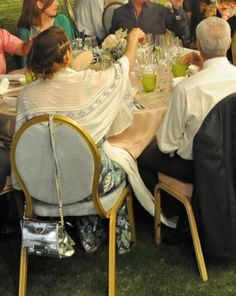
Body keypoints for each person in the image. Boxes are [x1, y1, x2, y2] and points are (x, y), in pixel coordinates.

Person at [16, 26, 145, 253]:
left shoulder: (26, 96)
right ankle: (121, 241)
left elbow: (23, 147)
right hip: (90, 182)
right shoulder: (87, 82)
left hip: (43, 184)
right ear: (66, 55)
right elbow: (124, 68)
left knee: (77, 160)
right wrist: (133, 39)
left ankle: (90, 238)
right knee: (116, 163)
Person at [138, 17, 236, 190]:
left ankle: (172, 210)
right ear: (230, 42)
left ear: (198, 46)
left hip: (197, 166)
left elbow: (166, 145)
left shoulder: (185, 89)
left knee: (143, 156)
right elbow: (222, 77)